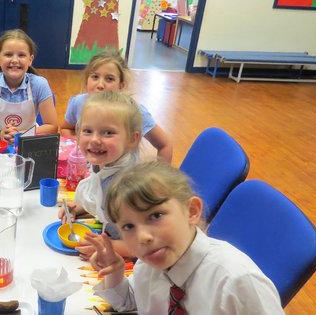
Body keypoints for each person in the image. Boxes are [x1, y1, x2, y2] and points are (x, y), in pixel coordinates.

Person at [86, 161, 285, 314]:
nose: (143, 237)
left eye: (155, 216)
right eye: (128, 226)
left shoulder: (237, 283)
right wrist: (116, 271)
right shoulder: (149, 265)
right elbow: (130, 300)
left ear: (191, 211)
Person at [58, 90, 142, 259]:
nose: (95, 140)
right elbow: (104, 201)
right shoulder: (106, 162)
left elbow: (144, 245)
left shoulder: (126, 187)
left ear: (132, 139)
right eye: (87, 131)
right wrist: (81, 208)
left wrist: (106, 247)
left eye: (108, 133)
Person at [59, 50, 172, 163]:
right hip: (88, 172)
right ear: (86, 81)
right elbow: (65, 128)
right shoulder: (78, 102)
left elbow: (164, 145)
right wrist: (85, 143)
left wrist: (160, 177)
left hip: (123, 177)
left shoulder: (134, 111)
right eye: (95, 77)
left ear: (121, 86)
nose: (100, 85)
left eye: (109, 79)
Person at [0, 29, 58, 145]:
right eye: (8, 54)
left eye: (21, 55)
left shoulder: (40, 85)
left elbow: (52, 127)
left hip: (28, 142)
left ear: (30, 60)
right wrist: (0, 135)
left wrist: (21, 135)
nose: (14, 60)